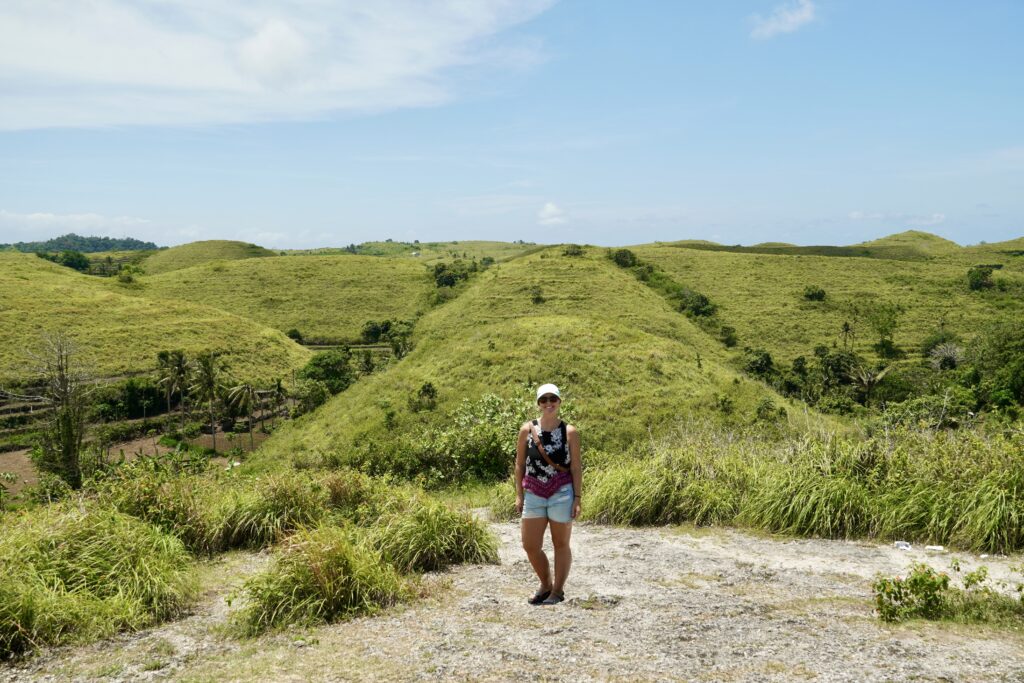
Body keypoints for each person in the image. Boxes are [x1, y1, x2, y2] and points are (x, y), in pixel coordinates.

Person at [515, 383, 582, 605]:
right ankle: (546, 584)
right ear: (538, 404)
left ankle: (558, 591)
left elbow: (575, 467)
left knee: (560, 543)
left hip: (562, 492)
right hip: (533, 492)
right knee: (530, 545)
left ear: (559, 402)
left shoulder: (569, 431)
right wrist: (519, 495)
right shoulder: (527, 430)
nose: (549, 403)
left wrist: (578, 498)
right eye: (544, 400)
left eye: (553, 399)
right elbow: (519, 464)